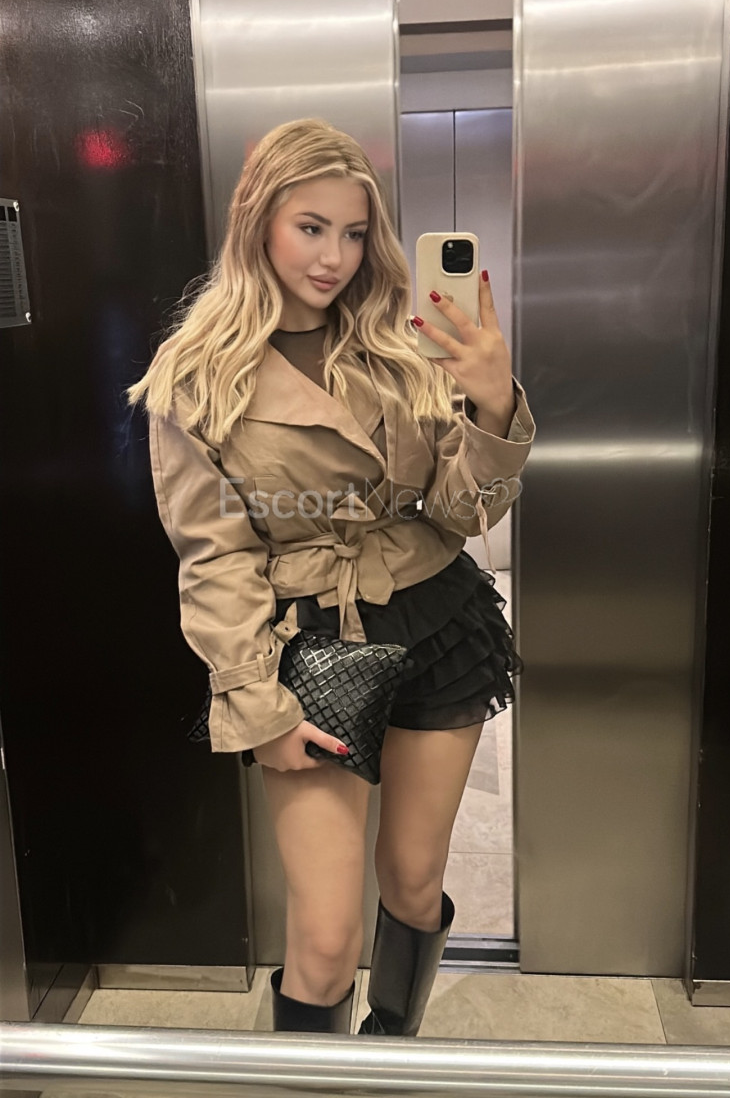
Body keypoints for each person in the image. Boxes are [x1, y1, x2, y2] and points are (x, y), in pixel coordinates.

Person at [127, 116, 536, 1037]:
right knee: (322, 938)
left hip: (438, 618)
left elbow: (459, 510)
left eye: (354, 233)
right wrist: (256, 703)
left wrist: (493, 404)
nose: (334, 258)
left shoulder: (400, 347)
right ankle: (317, 1084)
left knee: (415, 883)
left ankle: (389, 1056)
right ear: (258, 221)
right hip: (312, 644)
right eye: (310, 227)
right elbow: (215, 555)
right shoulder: (196, 375)